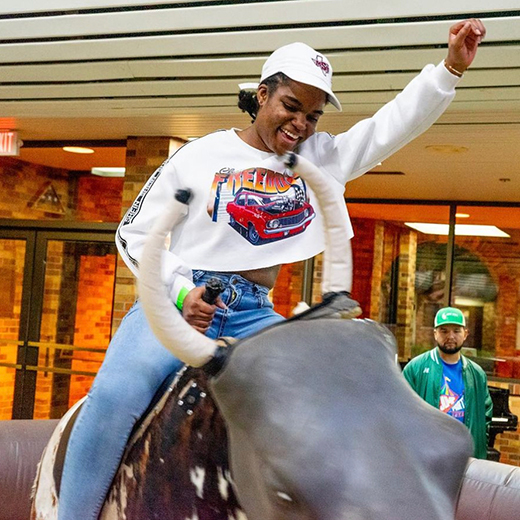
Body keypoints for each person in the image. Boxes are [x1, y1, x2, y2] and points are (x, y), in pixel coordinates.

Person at [58, 19, 486, 519]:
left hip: (256, 316)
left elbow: (390, 126)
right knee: (114, 398)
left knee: (324, 398)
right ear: (262, 94)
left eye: (313, 114)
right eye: (291, 106)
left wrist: (450, 69)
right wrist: (178, 293)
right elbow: (133, 235)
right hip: (180, 309)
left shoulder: (320, 158)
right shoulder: (200, 156)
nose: (301, 123)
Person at [403, 307, 493, 459]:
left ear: (465, 334)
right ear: (435, 334)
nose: (450, 336)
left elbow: (486, 417)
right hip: (427, 456)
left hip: (464, 456)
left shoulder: (477, 374)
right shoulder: (416, 368)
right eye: (444, 331)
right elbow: (402, 413)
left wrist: (477, 446)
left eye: (456, 331)